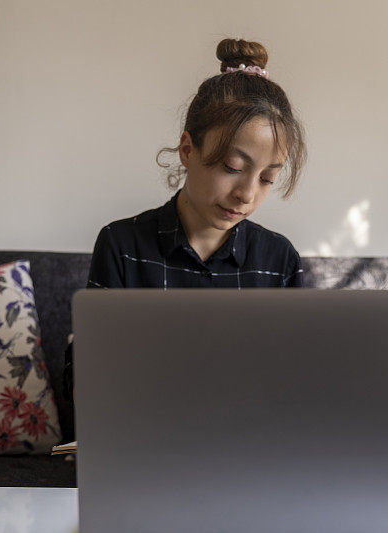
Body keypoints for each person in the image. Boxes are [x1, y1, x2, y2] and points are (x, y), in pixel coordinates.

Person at [63, 37, 308, 403]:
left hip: (249, 443)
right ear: (188, 150)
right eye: (233, 167)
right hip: (146, 437)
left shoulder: (279, 260)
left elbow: (299, 380)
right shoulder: (122, 246)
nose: (247, 194)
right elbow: (84, 383)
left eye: (267, 178)